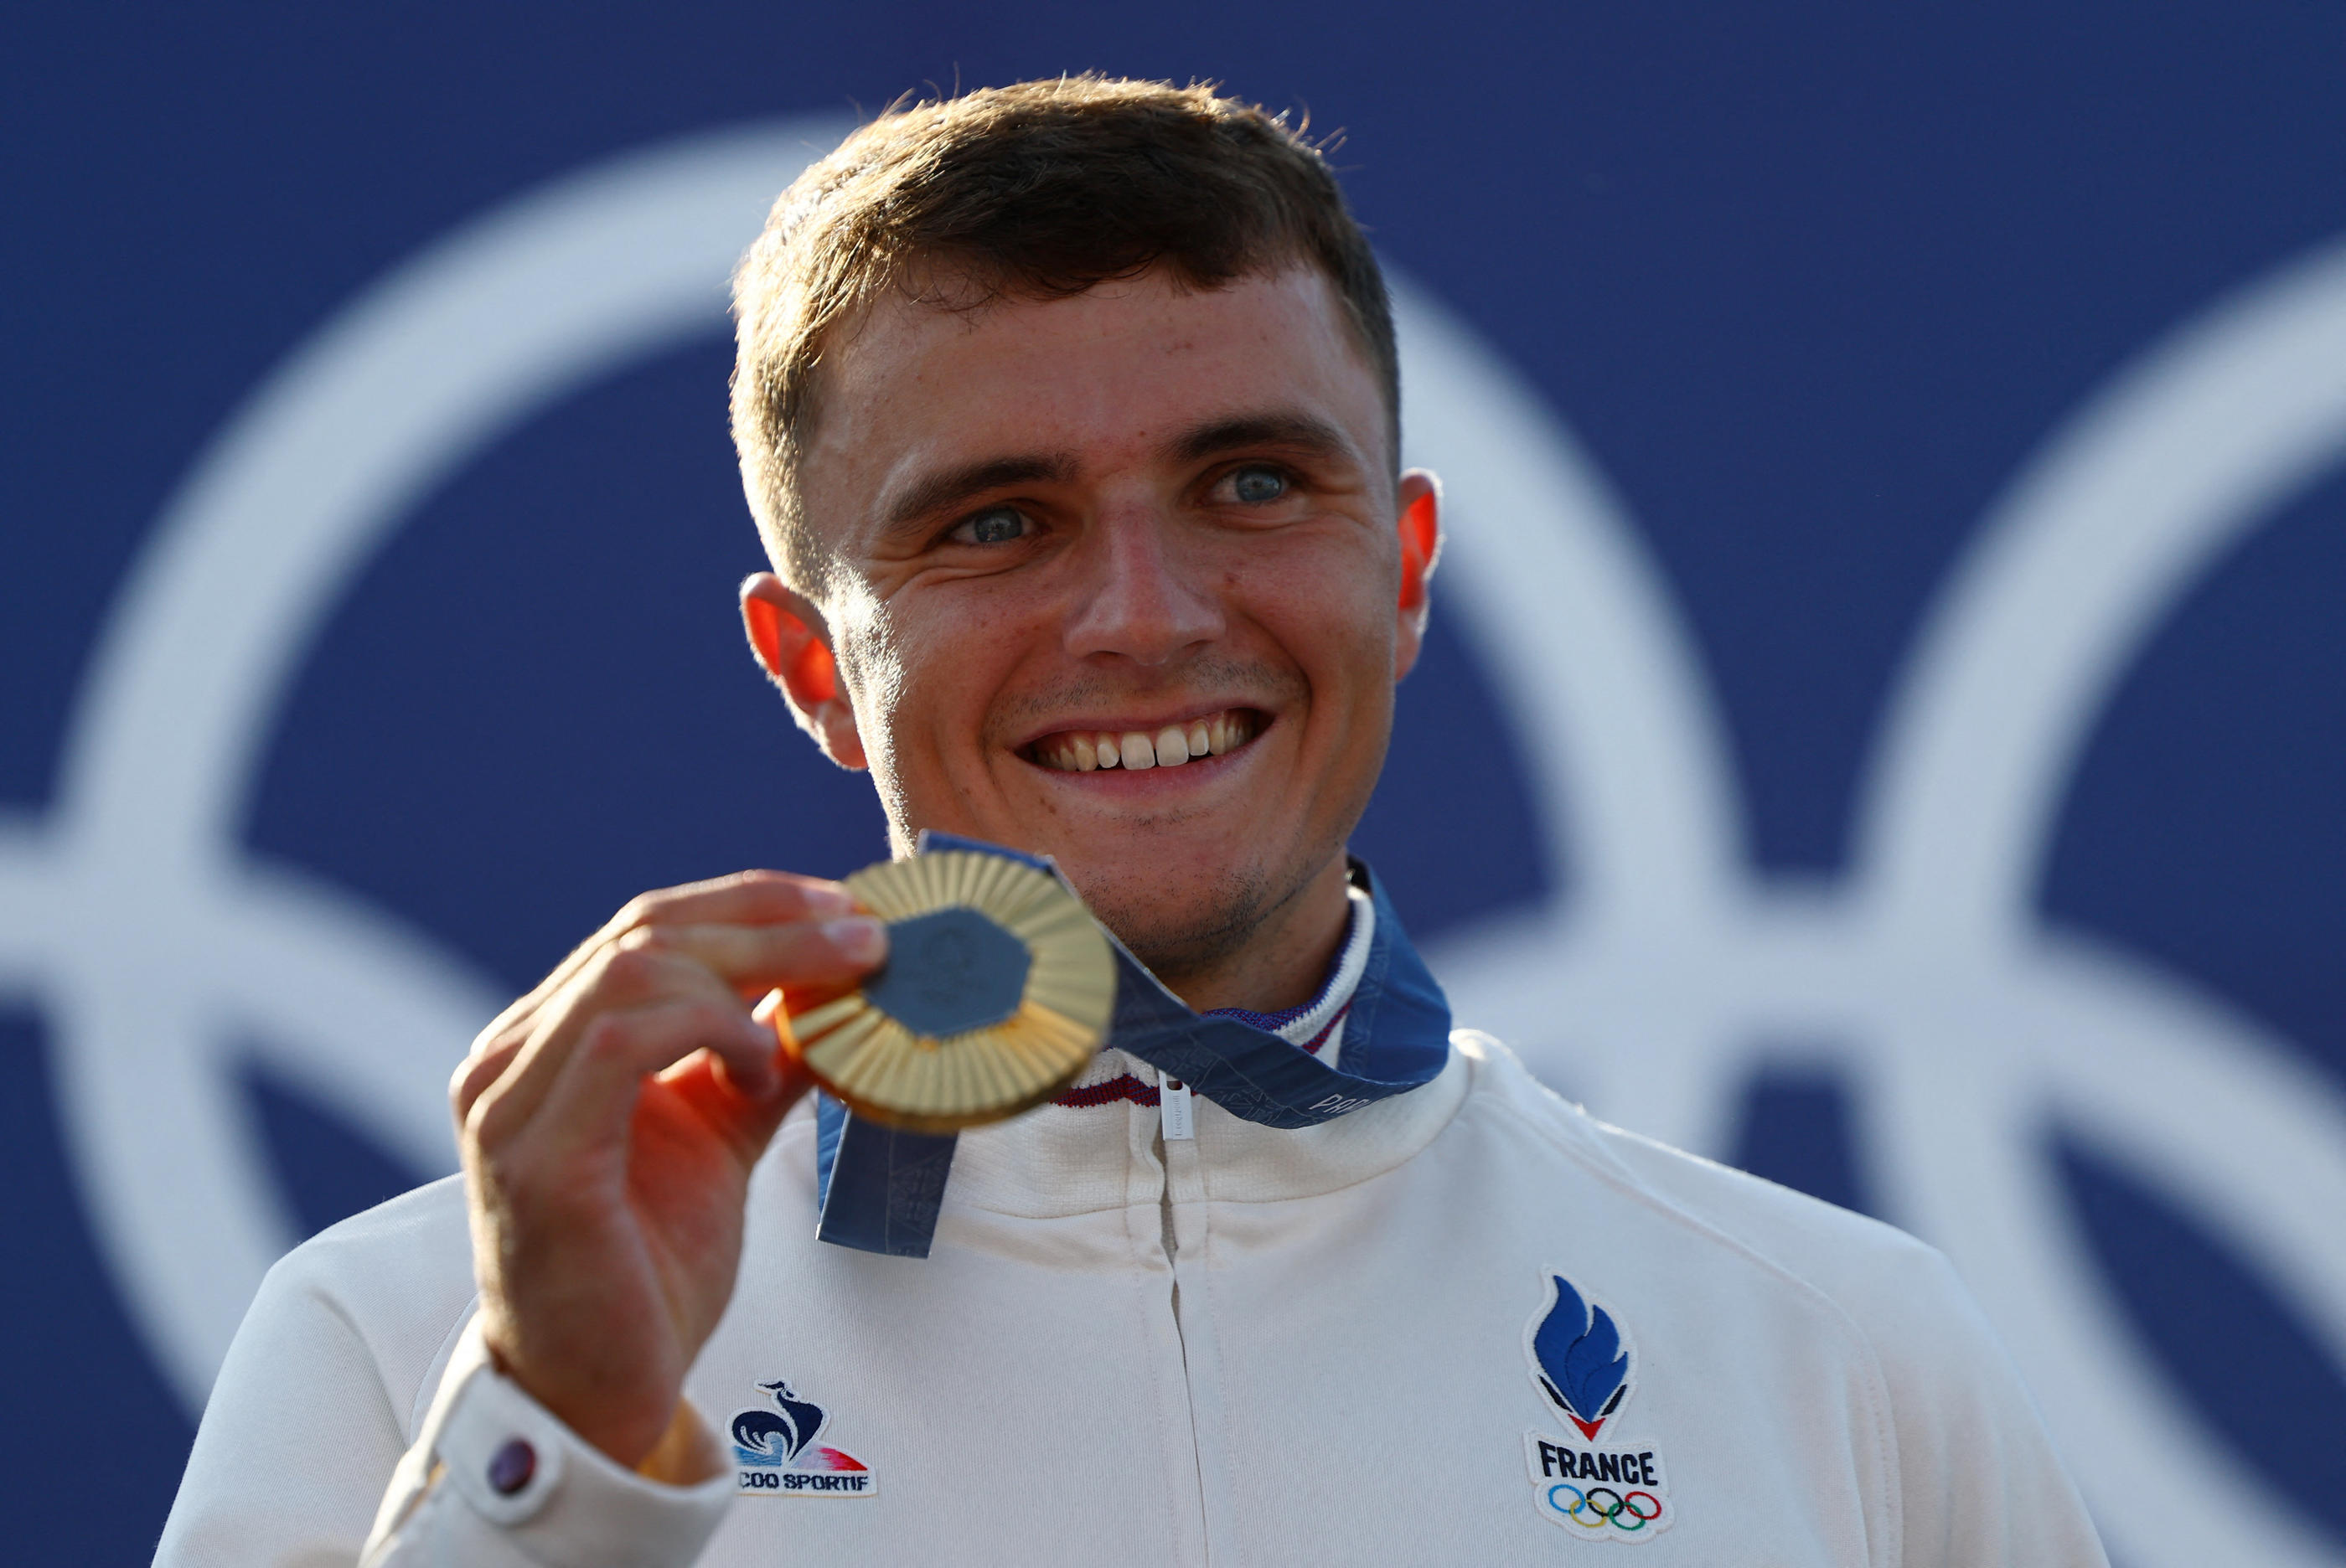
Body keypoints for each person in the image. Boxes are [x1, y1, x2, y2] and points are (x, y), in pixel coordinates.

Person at [157, 77, 2107, 1565]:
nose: (1148, 618)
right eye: (993, 523)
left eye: (1251, 482)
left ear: (1404, 568)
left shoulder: (1836, 1351)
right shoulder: (402, 1337)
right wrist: (560, 1456)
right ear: (810, 664)